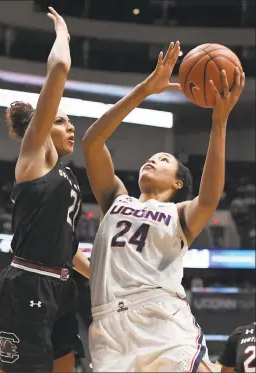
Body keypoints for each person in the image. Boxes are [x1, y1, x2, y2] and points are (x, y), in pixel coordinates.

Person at [82, 41, 245, 372]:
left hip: (160, 316)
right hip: (107, 327)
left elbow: (210, 198)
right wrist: (145, 89)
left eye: (163, 159)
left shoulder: (179, 214)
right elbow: (92, 142)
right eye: (151, 157)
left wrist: (219, 123)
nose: (152, 160)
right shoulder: (116, 199)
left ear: (178, 183)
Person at [0, 7, 89, 373]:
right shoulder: (34, 157)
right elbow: (59, 69)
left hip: (62, 287)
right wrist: (62, 32)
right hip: (27, 285)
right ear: (43, 126)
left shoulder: (67, 176)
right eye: (61, 121)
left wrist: (111, 280)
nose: (71, 127)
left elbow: (68, 244)